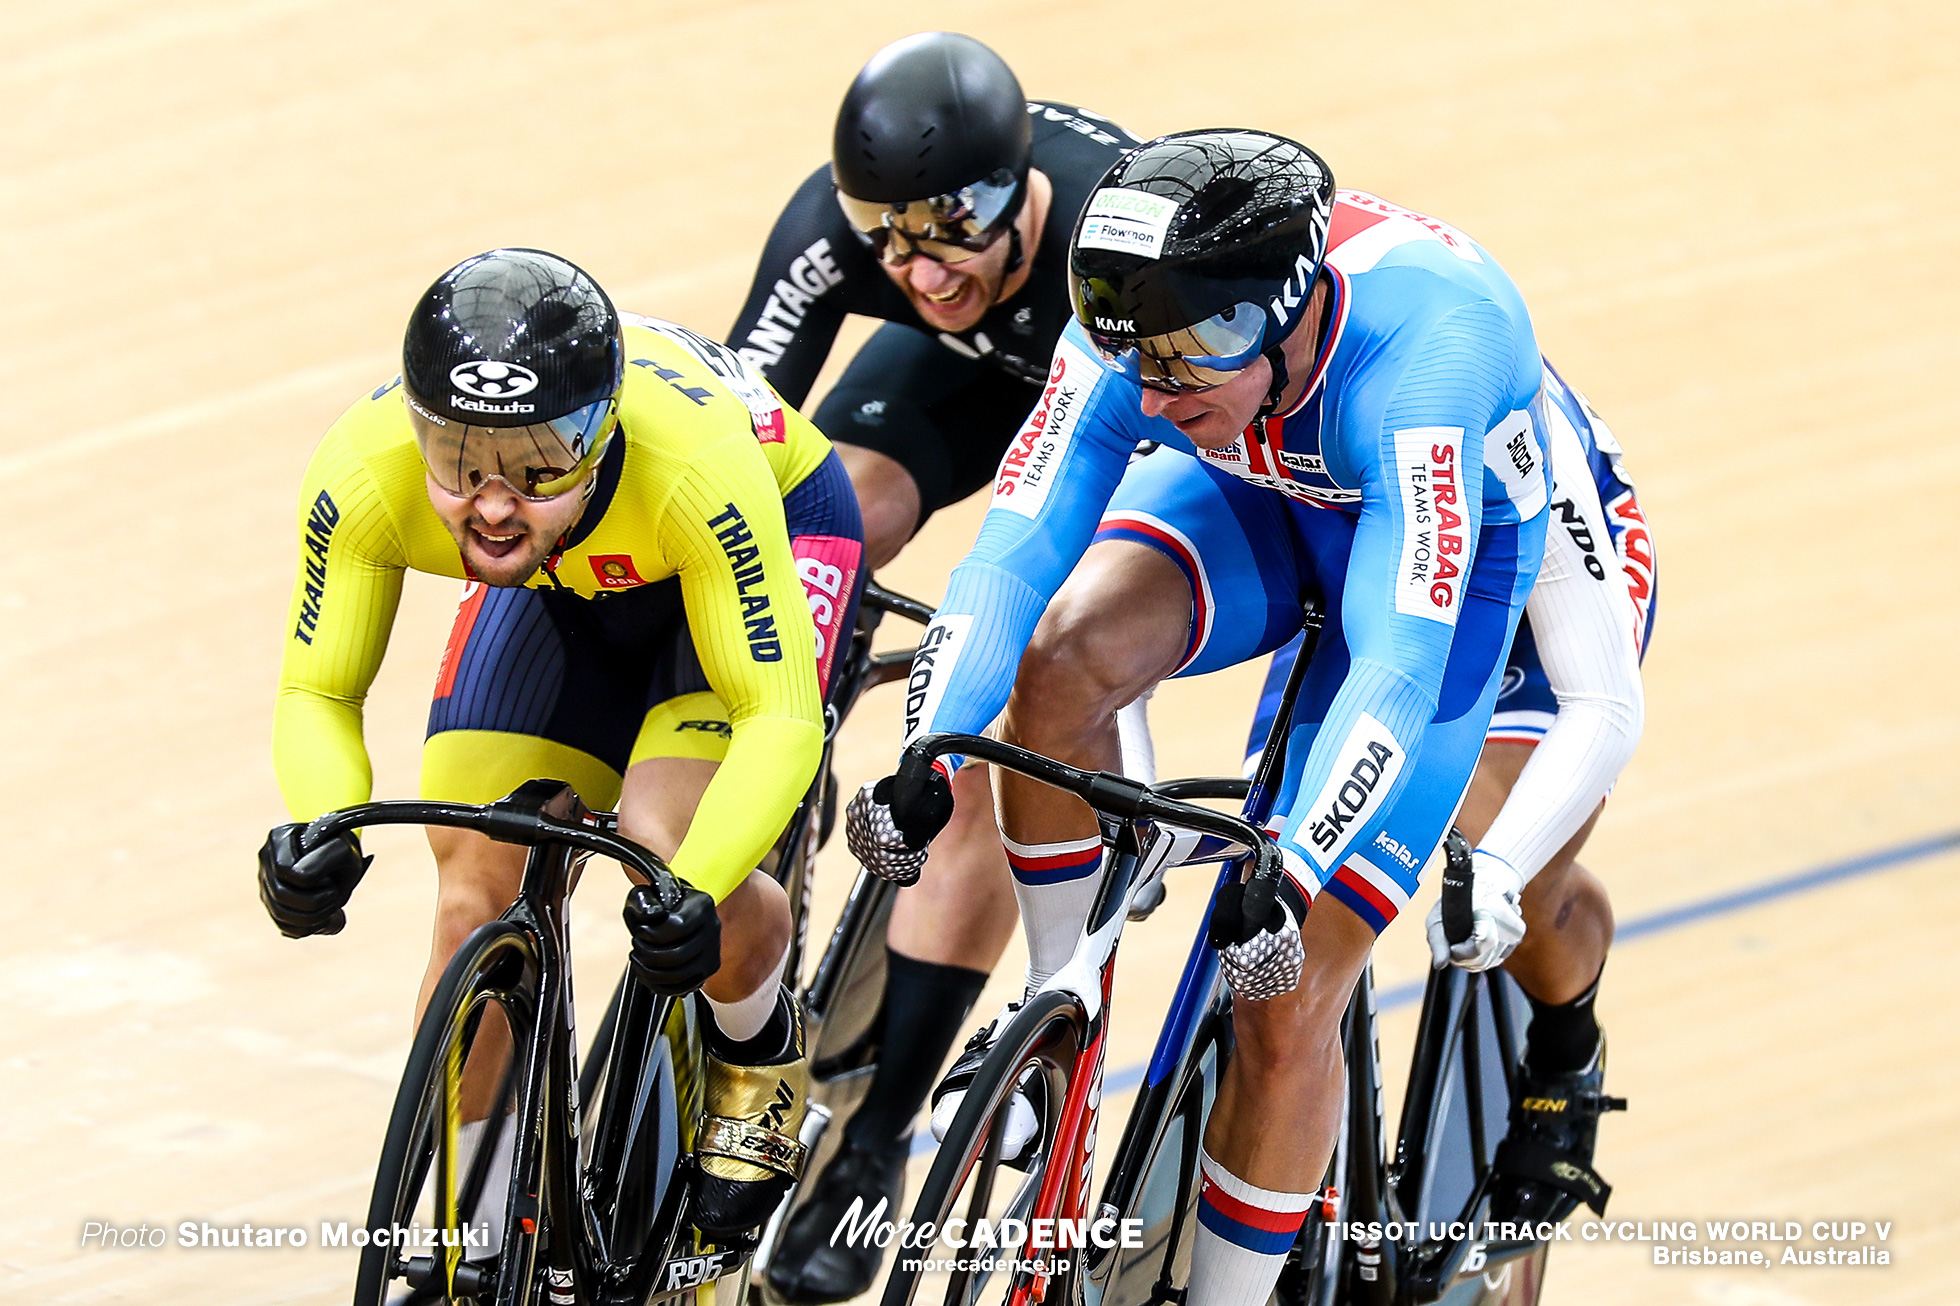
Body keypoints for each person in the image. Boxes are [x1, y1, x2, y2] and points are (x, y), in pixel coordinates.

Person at [849, 129, 1571, 1306]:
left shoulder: (1429, 359)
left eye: (1185, 363)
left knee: (1284, 998)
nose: (1150, 391)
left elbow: (1393, 660)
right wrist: (929, 745)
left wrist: (1293, 869)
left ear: (1281, 320)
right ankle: (1059, 1001)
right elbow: (1012, 554)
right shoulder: (1140, 335)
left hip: (1432, 579)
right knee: (1064, 653)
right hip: (1262, 487)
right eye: (1135, 361)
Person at [257, 248, 865, 1242]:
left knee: (667, 843)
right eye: (457, 460)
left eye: (540, 463)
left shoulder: (693, 471)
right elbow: (319, 687)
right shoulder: (366, 471)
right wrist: (321, 825)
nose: (493, 501)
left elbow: (778, 716)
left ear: (603, 431)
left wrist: (694, 888)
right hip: (565, 585)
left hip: (759, 530)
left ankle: (762, 1052)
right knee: (471, 887)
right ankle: (479, 1232)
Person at [725, 33, 1140, 1301]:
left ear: (1025, 189)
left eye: (951, 226)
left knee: (1002, 717)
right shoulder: (850, 238)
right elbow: (736, 439)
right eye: (885, 235)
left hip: (1119, 414)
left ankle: (873, 1141)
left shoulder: (1112, 238)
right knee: (820, 512)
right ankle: (780, 786)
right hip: (964, 390)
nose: (918, 265)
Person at [1244, 358, 1653, 1220]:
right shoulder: (1249, 375)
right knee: (1271, 832)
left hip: (1543, 588)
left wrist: (1505, 864)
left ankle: (1565, 1048)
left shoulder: (1505, 414)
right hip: (1389, 572)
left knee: (1499, 836)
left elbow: (1602, 700)